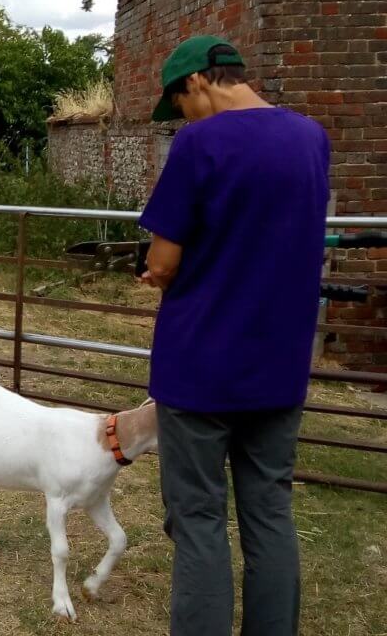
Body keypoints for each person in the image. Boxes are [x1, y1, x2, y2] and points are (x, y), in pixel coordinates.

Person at [139, 36, 329, 636]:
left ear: (197, 83)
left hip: (200, 367)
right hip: (279, 363)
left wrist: (154, 271)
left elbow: (165, 262)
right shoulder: (310, 138)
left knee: (198, 519)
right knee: (270, 512)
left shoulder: (200, 144)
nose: (181, 120)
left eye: (178, 105)